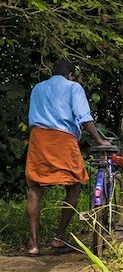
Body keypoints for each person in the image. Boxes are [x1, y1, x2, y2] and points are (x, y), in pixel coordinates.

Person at [25, 59, 110, 256]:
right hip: (63, 139)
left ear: (52, 72)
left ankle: (34, 245)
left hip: (38, 139)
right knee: (74, 184)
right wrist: (99, 140)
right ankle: (59, 238)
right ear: (70, 74)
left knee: (35, 187)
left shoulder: (38, 88)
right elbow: (83, 117)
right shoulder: (74, 87)